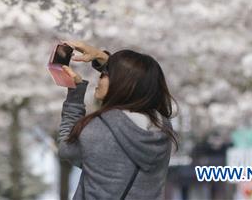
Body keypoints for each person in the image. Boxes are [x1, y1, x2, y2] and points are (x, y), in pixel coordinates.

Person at [56, 40, 178, 200]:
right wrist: (101, 57)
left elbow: (66, 148)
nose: (99, 80)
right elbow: (135, 78)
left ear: (122, 83)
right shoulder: (162, 128)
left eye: (104, 75)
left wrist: (75, 94)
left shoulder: (100, 128)